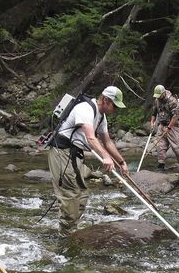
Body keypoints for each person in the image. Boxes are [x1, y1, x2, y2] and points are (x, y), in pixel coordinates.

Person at [47, 86, 129, 234]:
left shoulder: (101, 117)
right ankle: (66, 235)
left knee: (82, 193)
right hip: (61, 152)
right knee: (71, 194)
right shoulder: (85, 108)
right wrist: (105, 157)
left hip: (75, 154)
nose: (115, 110)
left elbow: (107, 142)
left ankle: (69, 227)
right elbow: (91, 137)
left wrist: (121, 162)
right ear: (105, 100)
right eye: (114, 106)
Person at [150, 84, 179, 170]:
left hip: (173, 127)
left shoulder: (173, 101)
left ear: (163, 93)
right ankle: (161, 164)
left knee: (176, 146)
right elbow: (154, 112)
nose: (158, 98)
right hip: (162, 125)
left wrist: (169, 128)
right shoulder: (157, 100)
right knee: (160, 146)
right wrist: (152, 122)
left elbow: (175, 116)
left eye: (159, 96)